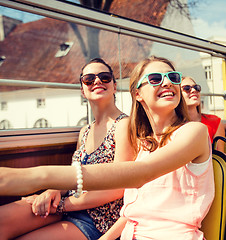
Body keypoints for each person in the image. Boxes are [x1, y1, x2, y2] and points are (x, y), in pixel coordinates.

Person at [0, 56, 214, 240]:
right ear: (137, 94)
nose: (167, 83)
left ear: (113, 86)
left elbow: (141, 174)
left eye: (173, 77)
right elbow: (133, 212)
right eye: (156, 79)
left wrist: (41, 177)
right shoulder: (144, 143)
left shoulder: (194, 132)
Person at [0, 58, 134, 240]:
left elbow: (119, 187)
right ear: (82, 90)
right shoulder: (85, 131)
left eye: (104, 77)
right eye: (89, 79)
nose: (97, 81)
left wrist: (63, 204)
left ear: (114, 86)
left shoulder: (123, 125)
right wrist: (52, 191)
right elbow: (73, 174)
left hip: (96, 219)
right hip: (67, 205)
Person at [181, 76, 225, 151]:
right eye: (187, 88)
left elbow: (219, 157)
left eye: (196, 87)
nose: (193, 90)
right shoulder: (173, 126)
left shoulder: (214, 122)